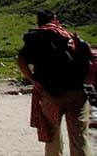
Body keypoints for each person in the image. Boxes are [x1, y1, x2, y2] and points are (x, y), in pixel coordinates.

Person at [18, 10, 96, 156]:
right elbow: (92, 59)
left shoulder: (35, 39)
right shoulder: (71, 38)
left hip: (50, 92)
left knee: (52, 133)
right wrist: (88, 81)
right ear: (56, 20)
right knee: (79, 135)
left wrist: (33, 80)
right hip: (77, 92)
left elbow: (21, 60)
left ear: (38, 22)